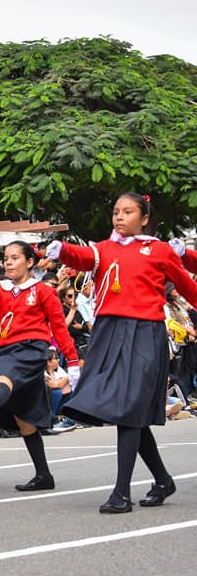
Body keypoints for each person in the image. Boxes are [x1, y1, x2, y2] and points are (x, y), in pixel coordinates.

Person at [48, 192, 197, 513]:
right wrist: (61, 250)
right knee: (129, 413)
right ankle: (162, 480)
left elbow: (187, 287)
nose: (119, 217)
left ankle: (121, 493)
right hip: (109, 333)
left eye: (128, 212)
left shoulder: (158, 250)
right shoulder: (104, 248)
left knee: (129, 410)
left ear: (144, 218)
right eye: (116, 211)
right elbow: (82, 257)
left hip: (145, 334)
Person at [0, 241, 80, 492]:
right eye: (6, 259)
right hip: (5, 349)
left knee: (5, 375)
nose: (8, 262)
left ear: (30, 262)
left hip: (32, 349)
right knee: (25, 418)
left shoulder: (43, 291)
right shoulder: (0, 289)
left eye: (15, 258)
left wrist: (73, 361)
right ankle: (44, 475)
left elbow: (59, 327)